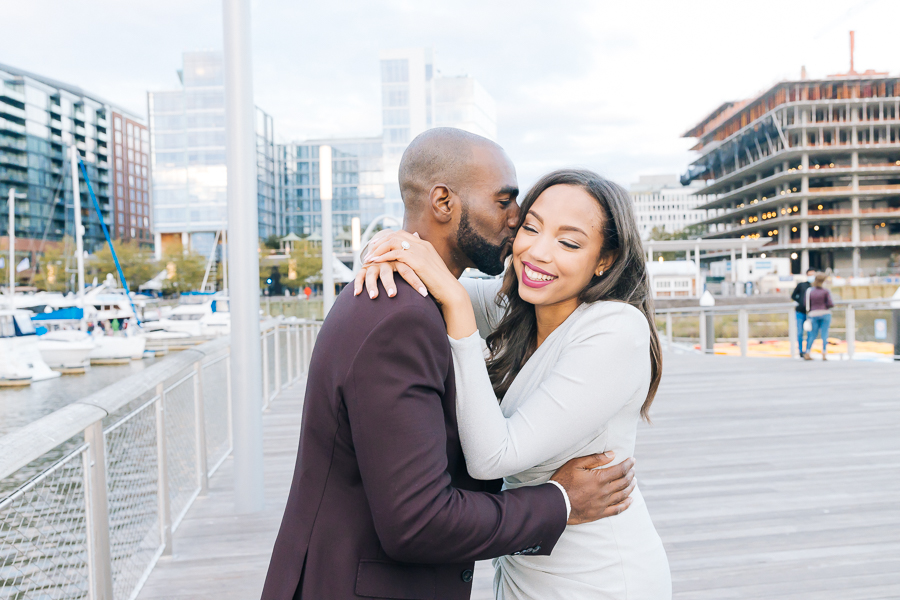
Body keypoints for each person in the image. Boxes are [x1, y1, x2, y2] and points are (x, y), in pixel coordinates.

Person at [261, 129, 637, 600]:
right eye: (506, 202)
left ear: (605, 259)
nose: (517, 222)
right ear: (443, 202)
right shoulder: (403, 317)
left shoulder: (431, 300)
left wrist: (393, 245)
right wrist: (559, 501)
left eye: (570, 241)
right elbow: (418, 522)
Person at [359, 168, 671, 599]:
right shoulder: (518, 305)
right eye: (531, 227)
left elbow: (493, 457)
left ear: (605, 260)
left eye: (569, 242)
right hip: (526, 572)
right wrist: (387, 247)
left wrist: (458, 316)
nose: (537, 253)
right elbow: (423, 272)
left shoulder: (616, 329)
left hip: (599, 578)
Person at [803, 272, 834, 361]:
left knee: (812, 334)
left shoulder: (810, 291)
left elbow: (806, 303)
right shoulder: (825, 291)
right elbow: (830, 303)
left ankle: (807, 352)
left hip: (813, 314)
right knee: (824, 334)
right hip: (825, 313)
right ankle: (824, 352)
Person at [790, 269, 816, 356]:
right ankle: (800, 351)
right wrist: (801, 301)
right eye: (809, 274)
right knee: (800, 332)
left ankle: (807, 350)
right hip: (800, 311)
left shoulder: (816, 287)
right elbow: (793, 295)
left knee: (810, 332)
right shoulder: (801, 285)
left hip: (811, 312)